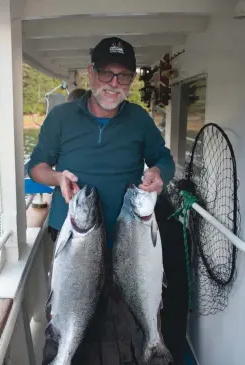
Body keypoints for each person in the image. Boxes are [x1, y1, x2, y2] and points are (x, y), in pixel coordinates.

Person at [27, 36, 175, 248]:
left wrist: (159, 173)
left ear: (132, 80)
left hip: (126, 235)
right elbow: (36, 167)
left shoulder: (139, 119)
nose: (114, 83)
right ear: (91, 72)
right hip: (71, 232)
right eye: (106, 73)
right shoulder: (61, 117)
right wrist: (57, 178)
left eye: (123, 76)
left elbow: (164, 159)